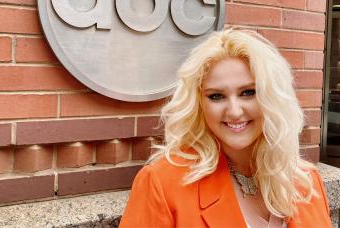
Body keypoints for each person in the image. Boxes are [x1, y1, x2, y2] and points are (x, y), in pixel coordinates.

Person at [119, 28, 332, 228]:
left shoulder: (306, 179)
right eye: (216, 96)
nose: (234, 111)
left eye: (248, 92)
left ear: (272, 97)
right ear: (199, 104)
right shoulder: (162, 182)